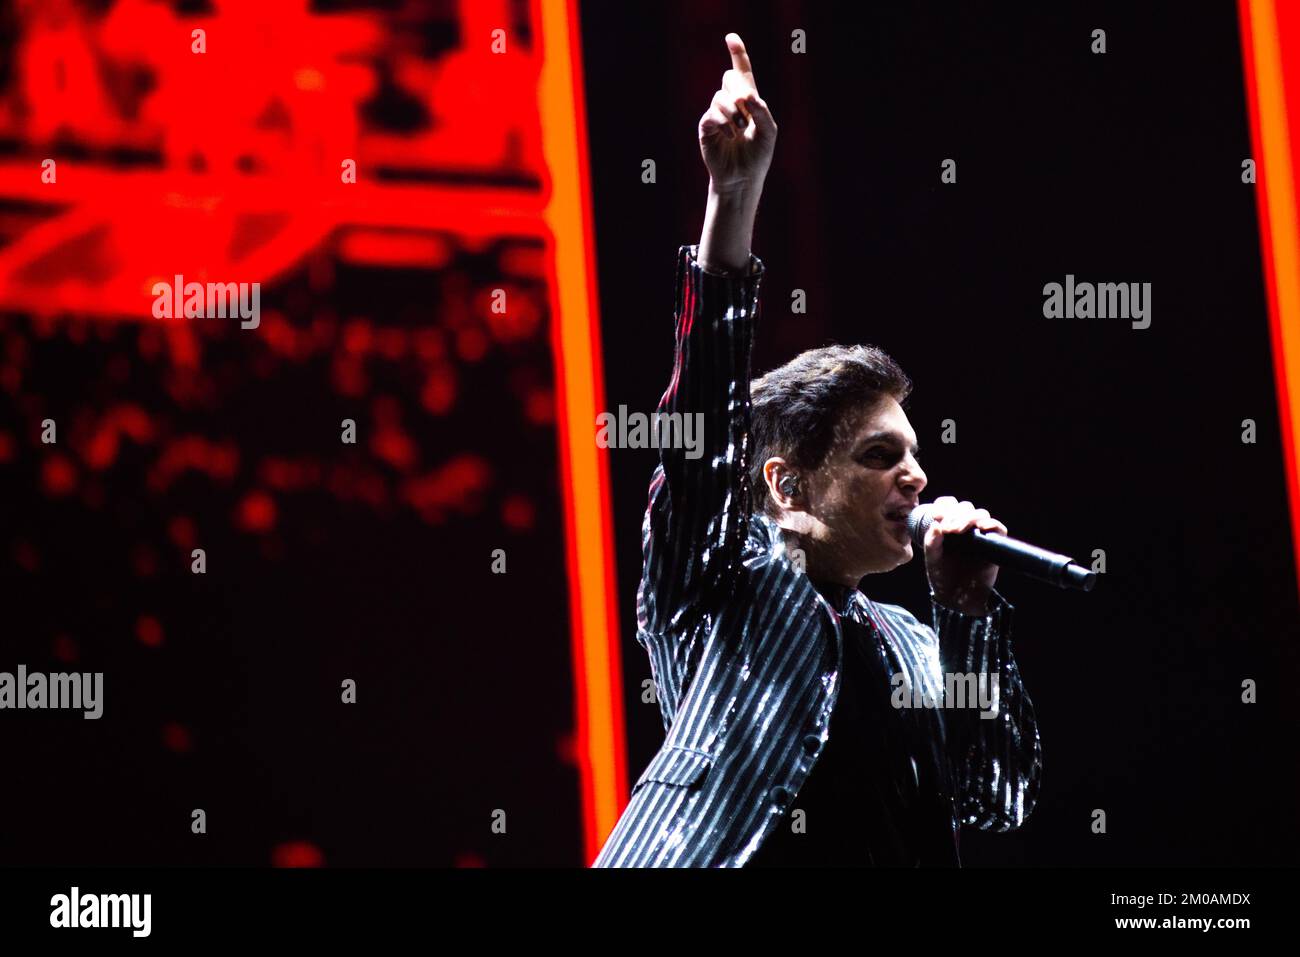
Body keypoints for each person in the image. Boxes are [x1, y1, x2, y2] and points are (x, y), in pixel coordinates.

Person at [592, 33, 1041, 868]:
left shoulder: (911, 643)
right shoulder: (730, 588)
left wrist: (969, 612)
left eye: (913, 453)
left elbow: (996, 799)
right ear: (788, 484)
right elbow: (698, 444)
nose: (916, 474)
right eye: (878, 454)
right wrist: (733, 199)